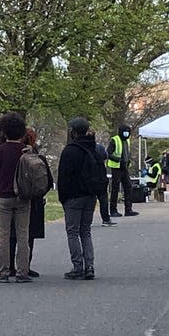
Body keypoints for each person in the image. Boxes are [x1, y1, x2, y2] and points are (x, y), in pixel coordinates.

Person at [58, 117, 107, 280]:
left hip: (73, 196)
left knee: (72, 231)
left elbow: (64, 178)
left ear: (73, 132)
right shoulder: (96, 149)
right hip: (90, 195)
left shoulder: (70, 150)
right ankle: (90, 266)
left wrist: (63, 198)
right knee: (86, 231)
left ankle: (77, 266)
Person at [0, 112, 32, 283]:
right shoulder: (27, 152)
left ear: (3, 131)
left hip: (3, 196)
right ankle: (22, 272)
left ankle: (3, 272)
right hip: (23, 197)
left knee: (3, 236)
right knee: (23, 235)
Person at [8, 127, 54, 276]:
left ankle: (10, 266)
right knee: (29, 234)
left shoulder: (11, 154)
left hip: (11, 195)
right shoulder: (37, 157)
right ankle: (25, 265)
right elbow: (48, 180)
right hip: (34, 198)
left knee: (11, 234)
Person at [106, 124, 138, 217]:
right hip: (116, 168)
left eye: (128, 132)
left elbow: (126, 153)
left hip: (124, 168)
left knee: (128, 187)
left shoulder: (127, 140)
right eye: (125, 131)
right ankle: (113, 210)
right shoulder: (114, 140)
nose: (126, 133)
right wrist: (117, 159)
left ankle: (128, 209)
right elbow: (108, 153)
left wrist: (128, 160)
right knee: (115, 189)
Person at [91, 131, 116, 227]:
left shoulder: (82, 149)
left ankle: (88, 220)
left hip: (89, 178)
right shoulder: (99, 148)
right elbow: (106, 156)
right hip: (101, 177)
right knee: (103, 200)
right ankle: (106, 219)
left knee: (90, 201)